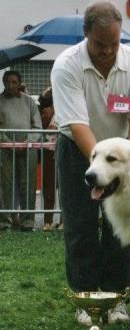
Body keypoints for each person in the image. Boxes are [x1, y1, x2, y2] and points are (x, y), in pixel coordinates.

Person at [51, 0, 130, 325]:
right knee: (80, 226)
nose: (108, 51)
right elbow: (78, 125)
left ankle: (117, 297)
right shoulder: (66, 65)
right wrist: (101, 169)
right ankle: (85, 297)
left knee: (120, 227)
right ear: (85, 34)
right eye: (99, 44)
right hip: (76, 150)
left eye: (113, 43)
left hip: (120, 154)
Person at [0, 70, 42, 231]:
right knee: (5, 185)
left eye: (13, 82)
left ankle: (27, 221)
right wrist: (9, 143)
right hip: (4, 148)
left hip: (28, 148)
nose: (10, 85)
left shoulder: (29, 101)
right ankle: (4, 221)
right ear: (3, 82)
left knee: (28, 184)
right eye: (7, 82)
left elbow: (37, 125)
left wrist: (28, 142)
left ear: (19, 83)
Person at [38, 87, 59, 231]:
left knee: (65, 189)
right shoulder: (43, 117)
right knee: (48, 188)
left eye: (44, 112)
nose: (42, 115)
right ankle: (48, 221)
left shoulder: (62, 113)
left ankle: (64, 221)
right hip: (48, 152)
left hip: (64, 153)